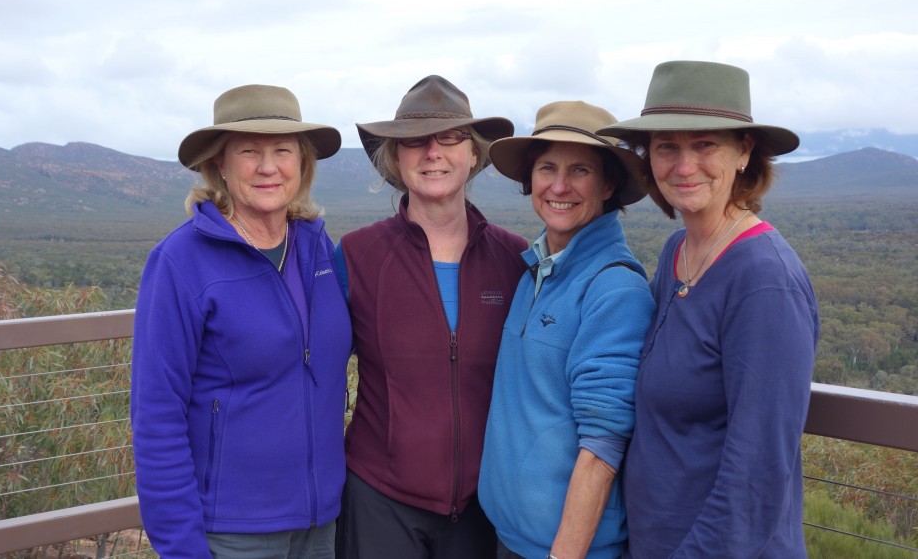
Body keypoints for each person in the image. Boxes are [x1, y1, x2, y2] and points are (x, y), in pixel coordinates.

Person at [599, 60, 820, 558]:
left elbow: (757, 476)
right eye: (666, 147)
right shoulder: (676, 250)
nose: (683, 166)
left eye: (705, 145)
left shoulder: (765, 283)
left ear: (744, 152)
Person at [130, 84, 353, 559]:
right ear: (219, 166)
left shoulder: (317, 249)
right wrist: (183, 549)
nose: (268, 166)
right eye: (249, 151)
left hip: (322, 524)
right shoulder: (180, 262)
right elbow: (156, 417)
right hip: (233, 533)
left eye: (283, 151)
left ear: (302, 164)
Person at [333, 75, 529, 559]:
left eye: (451, 137)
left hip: (487, 508)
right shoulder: (357, 256)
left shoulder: (514, 259)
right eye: (415, 142)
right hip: (380, 504)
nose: (432, 153)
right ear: (395, 159)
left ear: (474, 153)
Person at [478, 101, 655, 559]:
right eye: (547, 168)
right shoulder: (537, 271)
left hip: (565, 550)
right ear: (529, 181)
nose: (559, 185)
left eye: (580, 170)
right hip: (512, 537)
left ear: (608, 184)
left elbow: (603, 446)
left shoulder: (614, 288)